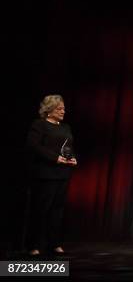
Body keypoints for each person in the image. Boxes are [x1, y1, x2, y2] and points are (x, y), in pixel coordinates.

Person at [25, 95, 77, 256]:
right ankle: (34, 245)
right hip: (45, 174)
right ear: (49, 110)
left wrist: (72, 157)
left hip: (63, 173)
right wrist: (55, 158)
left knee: (57, 210)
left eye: (63, 108)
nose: (63, 111)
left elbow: (68, 147)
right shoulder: (39, 125)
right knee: (41, 210)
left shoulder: (66, 127)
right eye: (59, 108)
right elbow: (33, 145)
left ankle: (54, 244)